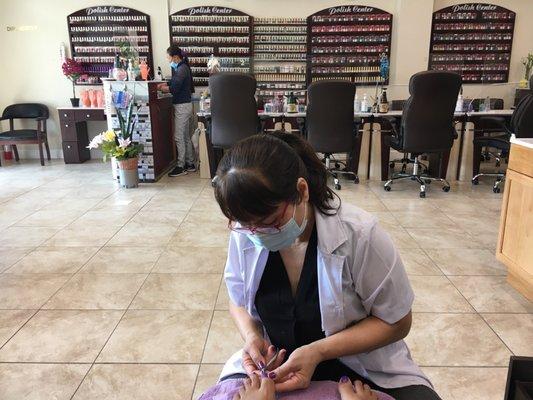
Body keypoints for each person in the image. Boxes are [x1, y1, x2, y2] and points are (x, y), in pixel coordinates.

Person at [211, 132, 442, 400]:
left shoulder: (360, 234)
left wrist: (319, 351)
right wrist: (252, 337)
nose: (257, 233)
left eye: (271, 221)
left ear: (301, 191)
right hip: (278, 367)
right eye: (245, 225)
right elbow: (237, 299)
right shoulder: (247, 230)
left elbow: (398, 322)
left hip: (359, 370)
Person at [158, 44, 196, 177]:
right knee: (185, 137)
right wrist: (167, 84)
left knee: (179, 136)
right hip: (185, 105)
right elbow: (175, 83)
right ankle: (190, 163)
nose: (168, 61)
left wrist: (163, 88)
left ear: (175, 57)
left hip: (182, 107)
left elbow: (175, 87)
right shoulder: (183, 68)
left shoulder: (181, 69)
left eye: (169, 58)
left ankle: (181, 166)